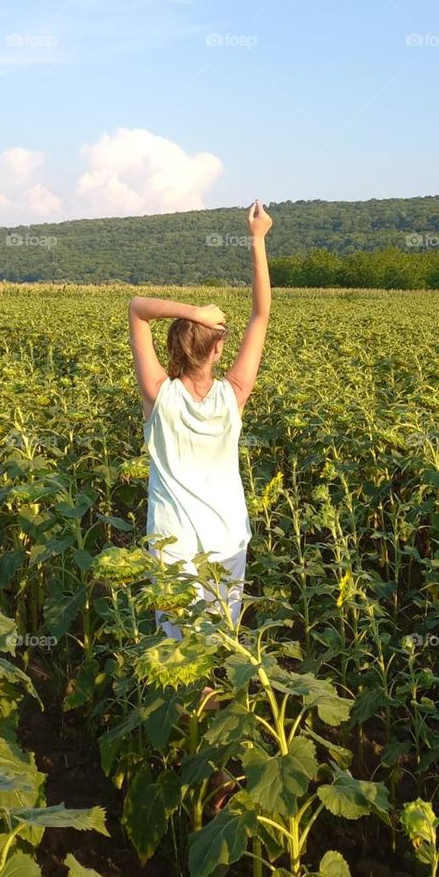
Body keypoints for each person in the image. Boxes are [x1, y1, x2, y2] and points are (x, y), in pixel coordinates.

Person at [128, 199, 273, 639]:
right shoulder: (233, 396)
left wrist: (190, 313)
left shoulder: (158, 395)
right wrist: (257, 239)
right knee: (222, 644)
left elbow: (136, 308)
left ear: (174, 347)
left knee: (177, 652)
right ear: (217, 350)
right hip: (228, 540)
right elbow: (261, 316)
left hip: (173, 548)